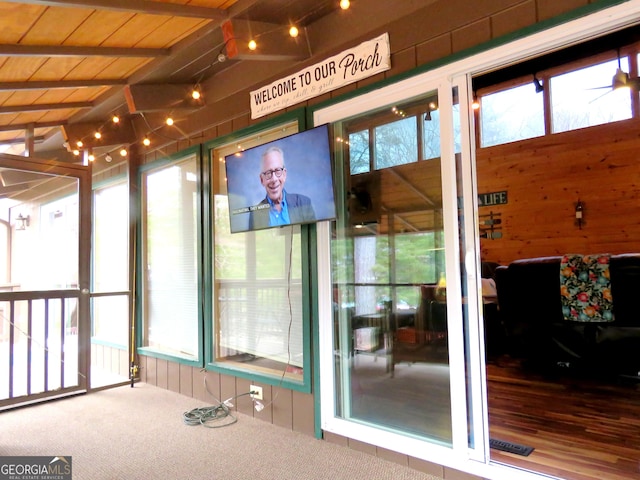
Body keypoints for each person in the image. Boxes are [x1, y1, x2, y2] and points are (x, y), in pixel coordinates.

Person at [248, 146, 315, 229]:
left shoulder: (304, 203)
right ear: (262, 180)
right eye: (268, 173)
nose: (274, 179)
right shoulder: (255, 214)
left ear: (284, 174)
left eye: (278, 171)